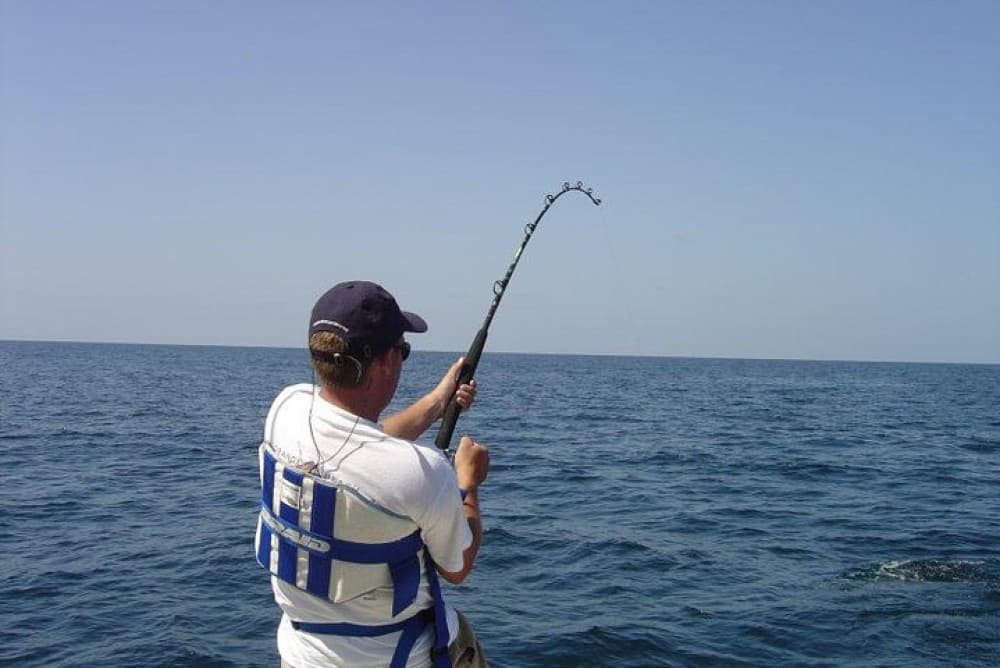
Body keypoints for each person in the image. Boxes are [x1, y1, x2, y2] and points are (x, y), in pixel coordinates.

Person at [255, 280, 490, 668]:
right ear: (384, 361)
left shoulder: (285, 411)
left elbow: (363, 447)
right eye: (404, 350)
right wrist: (467, 482)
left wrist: (438, 400)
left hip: (300, 656)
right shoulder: (424, 474)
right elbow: (457, 567)